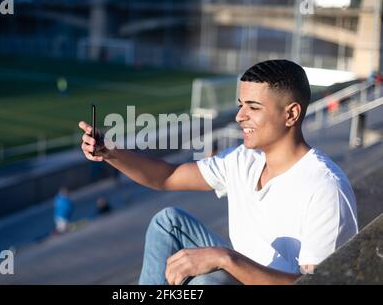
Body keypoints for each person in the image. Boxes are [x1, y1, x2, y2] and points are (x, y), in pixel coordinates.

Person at [79, 59, 358, 285]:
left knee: (209, 283)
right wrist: (109, 152)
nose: (239, 116)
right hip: (240, 273)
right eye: (241, 105)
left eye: (253, 107)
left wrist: (225, 258)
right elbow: (167, 176)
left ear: (291, 114)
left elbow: (316, 283)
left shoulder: (324, 188)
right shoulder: (244, 159)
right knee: (168, 222)